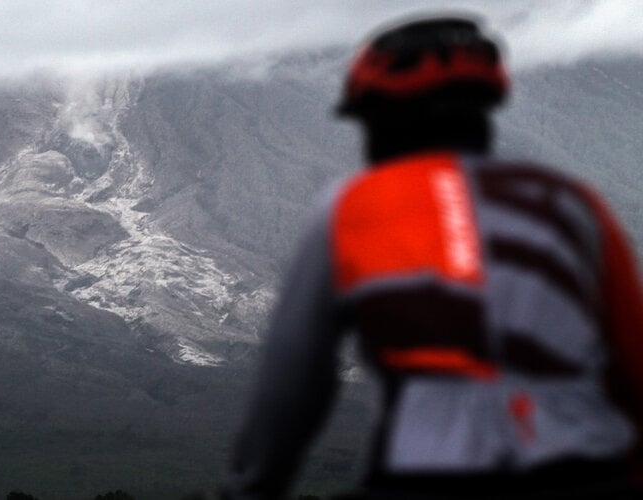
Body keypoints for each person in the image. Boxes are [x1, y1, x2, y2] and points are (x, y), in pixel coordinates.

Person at [221, 15, 643, 500]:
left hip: (434, 467)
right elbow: (632, 357)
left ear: (384, 118)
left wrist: (251, 486)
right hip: (591, 464)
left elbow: (294, 377)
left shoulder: (353, 207)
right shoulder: (572, 204)